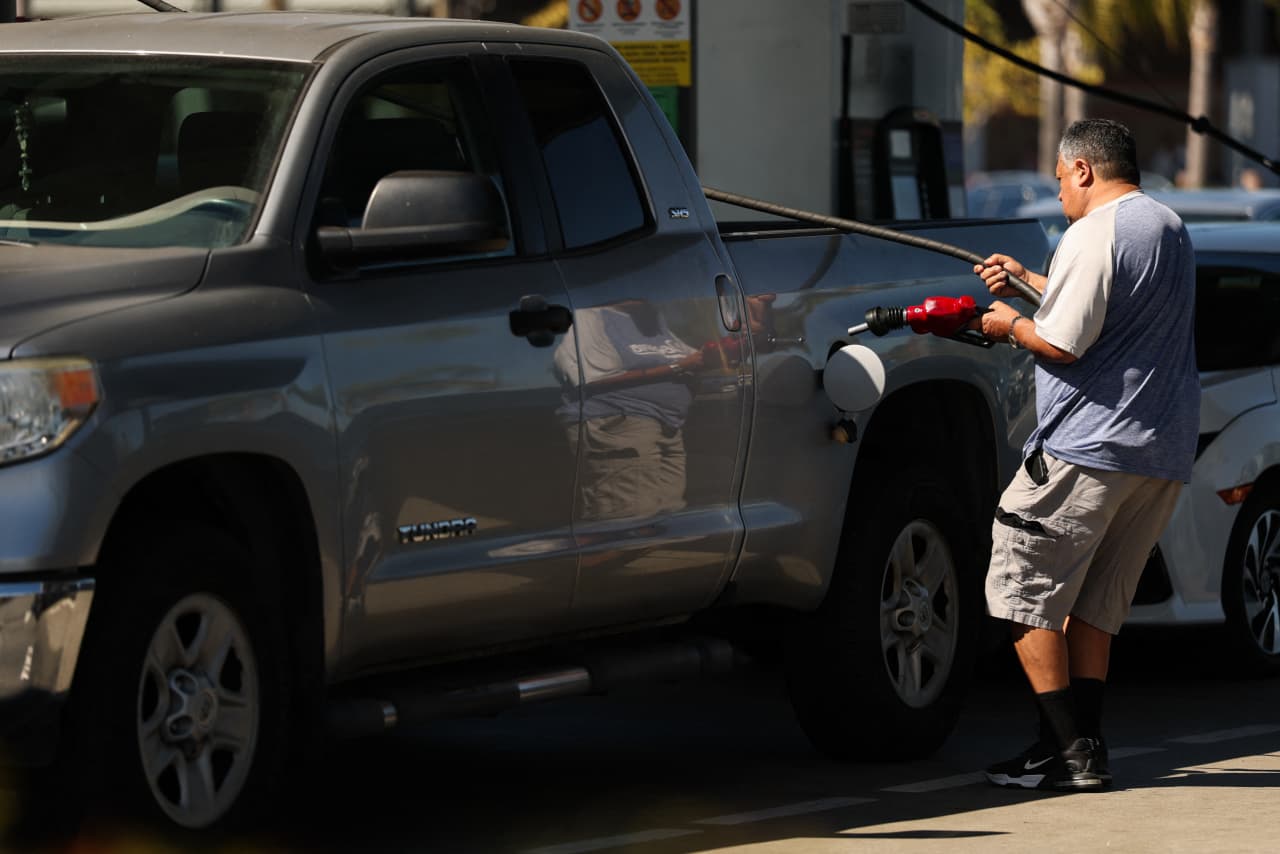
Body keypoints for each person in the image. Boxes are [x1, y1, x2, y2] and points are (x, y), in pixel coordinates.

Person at [970, 118, 1200, 791]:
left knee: (1021, 591)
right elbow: (1104, 311)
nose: (1060, 194)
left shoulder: (1091, 232)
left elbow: (1064, 344)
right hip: (1158, 451)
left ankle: (1071, 753)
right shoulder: (1164, 224)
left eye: (1060, 180)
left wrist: (1005, 324)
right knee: (1095, 603)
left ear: (1082, 170)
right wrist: (1027, 280)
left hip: (1087, 446)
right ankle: (1077, 744)